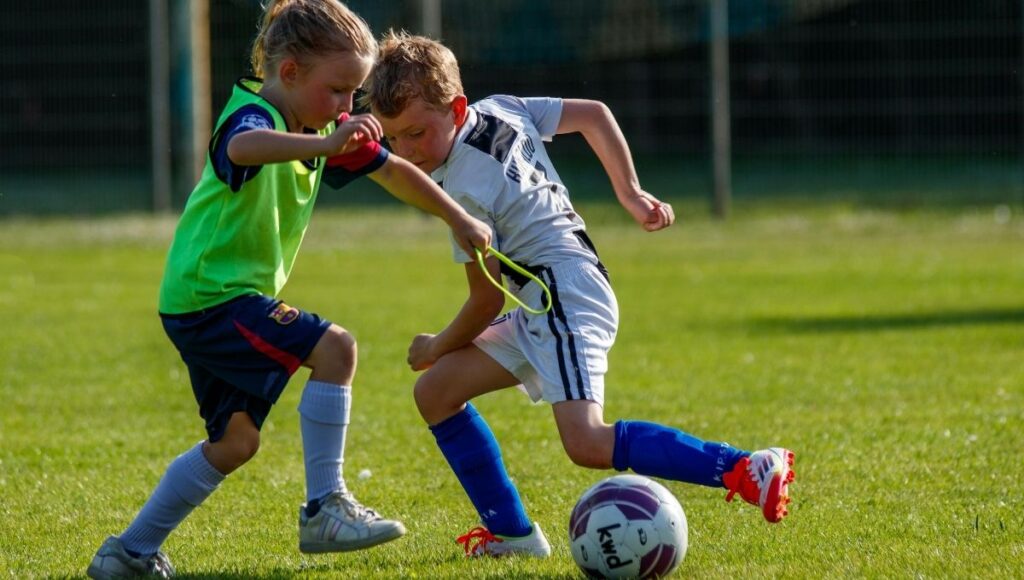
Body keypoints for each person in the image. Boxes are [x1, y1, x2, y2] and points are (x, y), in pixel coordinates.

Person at [86, 4, 492, 579]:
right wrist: (327, 147)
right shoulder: (251, 114)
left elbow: (394, 171)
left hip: (201, 302)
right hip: (213, 297)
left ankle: (128, 553)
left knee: (235, 444)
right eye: (338, 91)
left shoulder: (319, 127)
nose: (347, 108)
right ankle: (326, 507)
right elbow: (239, 150)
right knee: (337, 348)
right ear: (292, 72)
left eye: (355, 93)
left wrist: (456, 218)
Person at [361, 31, 797, 558]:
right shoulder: (500, 108)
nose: (406, 152)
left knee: (586, 442)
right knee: (436, 393)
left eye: (416, 134)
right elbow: (593, 114)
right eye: (394, 140)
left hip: (559, 292)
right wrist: (629, 192)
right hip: (551, 291)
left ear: (455, 108)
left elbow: (485, 302)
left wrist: (434, 345)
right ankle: (513, 535)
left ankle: (745, 467)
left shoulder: (466, 190)